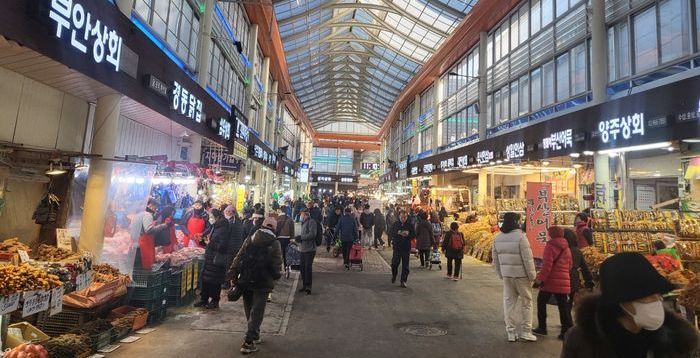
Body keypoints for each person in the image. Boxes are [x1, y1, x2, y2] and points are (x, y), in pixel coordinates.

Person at [561, 252, 698, 358]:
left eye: (658, 295)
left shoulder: (675, 340)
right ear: (620, 301)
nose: (656, 302)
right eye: (646, 297)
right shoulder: (582, 341)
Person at [228, 217, 283, 354]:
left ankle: (254, 334)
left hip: (246, 279)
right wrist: (276, 276)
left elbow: (239, 256)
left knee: (249, 308)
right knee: (257, 311)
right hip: (263, 281)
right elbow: (277, 263)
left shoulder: (251, 238)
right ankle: (248, 342)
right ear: (274, 229)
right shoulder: (275, 243)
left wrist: (233, 273)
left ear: (262, 226)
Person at [491, 212, 538, 342]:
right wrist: (532, 275)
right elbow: (528, 259)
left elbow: (495, 260)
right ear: (516, 222)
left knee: (509, 304)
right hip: (522, 276)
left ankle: (511, 332)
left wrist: (501, 274)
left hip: (507, 276)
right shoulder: (521, 237)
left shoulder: (497, 238)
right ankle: (526, 331)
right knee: (527, 303)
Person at [533, 226, 573, 340]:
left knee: (541, 302)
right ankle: (565, 332)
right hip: (564, 281)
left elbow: (547, 265)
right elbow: (570, 265)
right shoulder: (567, 247)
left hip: (550, 281)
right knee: (563, 307)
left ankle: (542, 327)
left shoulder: (550, 246)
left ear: (551, 234)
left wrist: (541, 279)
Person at [196, 209, 230, 309]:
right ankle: (204, 299)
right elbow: (210, 241)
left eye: (211, 217)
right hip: (209, 257)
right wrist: (202, 241)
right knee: (206, 280)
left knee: (215, 281)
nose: (210, 219)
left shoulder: (223, 228)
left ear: (218, 217)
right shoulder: (214, 227)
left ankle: (215, 301)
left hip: (216, 259)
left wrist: (210, 243)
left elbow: (223, 246)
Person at [130, 198, 169, 269]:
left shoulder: (138, 215)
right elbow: (148, 230)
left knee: (137, 271)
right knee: (145, 271)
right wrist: (163, 226)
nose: (156, 209)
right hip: (143, 247)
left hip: (135, 247)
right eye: (155, 206)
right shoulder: (147, 215)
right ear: (150, 205)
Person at [563, 229, 594, 309]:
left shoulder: (561, 250)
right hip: (573, 280)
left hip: (561, 278)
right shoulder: (577, 251)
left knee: (562, 303)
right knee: (569, 304)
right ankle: (568, 319)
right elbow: (584, 268)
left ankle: (565, 319)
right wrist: (589, 280)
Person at [389, 210, 415, 288]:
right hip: (397, 247)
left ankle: (403, 281)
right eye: (402, 217)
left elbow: (414, 235)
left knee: (405, 265)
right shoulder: (395, 224)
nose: (403, 219)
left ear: (407, 217)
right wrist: (398, 233)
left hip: (406, 247)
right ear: (399, 217)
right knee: (394, 263)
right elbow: (390, 233)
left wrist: (408, 234)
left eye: (405, 217)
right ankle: (394, 275)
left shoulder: (410, 225)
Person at [223, 206, 244, 289]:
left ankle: (227, 283)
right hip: (237, 246)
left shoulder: (231, 222)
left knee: (229, 265)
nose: (225, 214)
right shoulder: (238, 221)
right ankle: (234, 281)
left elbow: (227, 235)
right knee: (235, 265)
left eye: (226, 212)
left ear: (229, 212)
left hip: (231, 247)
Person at [298, 209, 317, 295]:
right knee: (302, 267)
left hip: (310, 249)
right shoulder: (303, 223)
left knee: (307, 267)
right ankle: (304, 285)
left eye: (301, 215)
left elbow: (312, 234)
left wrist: (301, 237)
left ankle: (308, 287)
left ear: (305, 215)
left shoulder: (311, 222)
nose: (300, 216)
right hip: (303, 249)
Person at [275, 206, 294, 271]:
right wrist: (292, 238)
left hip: (279, 239)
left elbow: (275, 229)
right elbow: (292, 230)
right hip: (287, 238)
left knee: (279, 253)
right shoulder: (290, 219)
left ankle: (279, 269)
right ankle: (287, 268)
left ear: (280, 210)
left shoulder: (277, 219)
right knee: (286, 253)